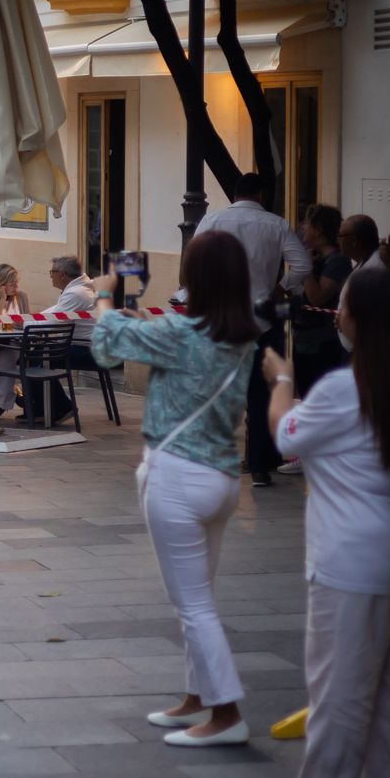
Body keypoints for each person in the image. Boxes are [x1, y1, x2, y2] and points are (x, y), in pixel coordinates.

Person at [260, 269, 390, 778]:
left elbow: (285, 436)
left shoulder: (343, 387)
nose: (337, 313)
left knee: (339, 676)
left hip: (351, 555)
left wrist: (281, 380)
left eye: (345, 306)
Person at [90, 230, 260, 746]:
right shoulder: (241, 337)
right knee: (198, 595)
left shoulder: (181, 333)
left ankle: (227, 714)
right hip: (221, 478)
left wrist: (104, 295)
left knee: (192, 604)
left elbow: (105, 346)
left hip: (178, 476)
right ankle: (197, 696)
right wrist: (141, 325)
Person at [195, 172, 310, 487]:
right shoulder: (276, 224)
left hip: (220, 320)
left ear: (235, 194)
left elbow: (194, 263)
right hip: (261, 320)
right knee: (260, 394)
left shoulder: (212, 220)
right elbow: (303, 265)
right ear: (261, 195)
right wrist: (280, 287)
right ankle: (259, 466)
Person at [293, 203, 351, 401]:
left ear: (318, 229)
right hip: (305, 339)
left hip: (322, 344)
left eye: (307, 223)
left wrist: (305, 266)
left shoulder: (337, 261)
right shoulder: (315, 258)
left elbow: (317, 298)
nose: (302, 228)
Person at [48, 255, 97, 369]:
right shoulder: (80, 289)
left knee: (34, 355)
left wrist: (25, 324)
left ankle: (47, 383)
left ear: (62, 275)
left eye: (52, 272)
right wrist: (27, 319)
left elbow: (54, 322)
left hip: (87, 350)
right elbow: (56, 310)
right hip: (90, 347)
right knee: (40, 352)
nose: (51, 276)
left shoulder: (76, 293)